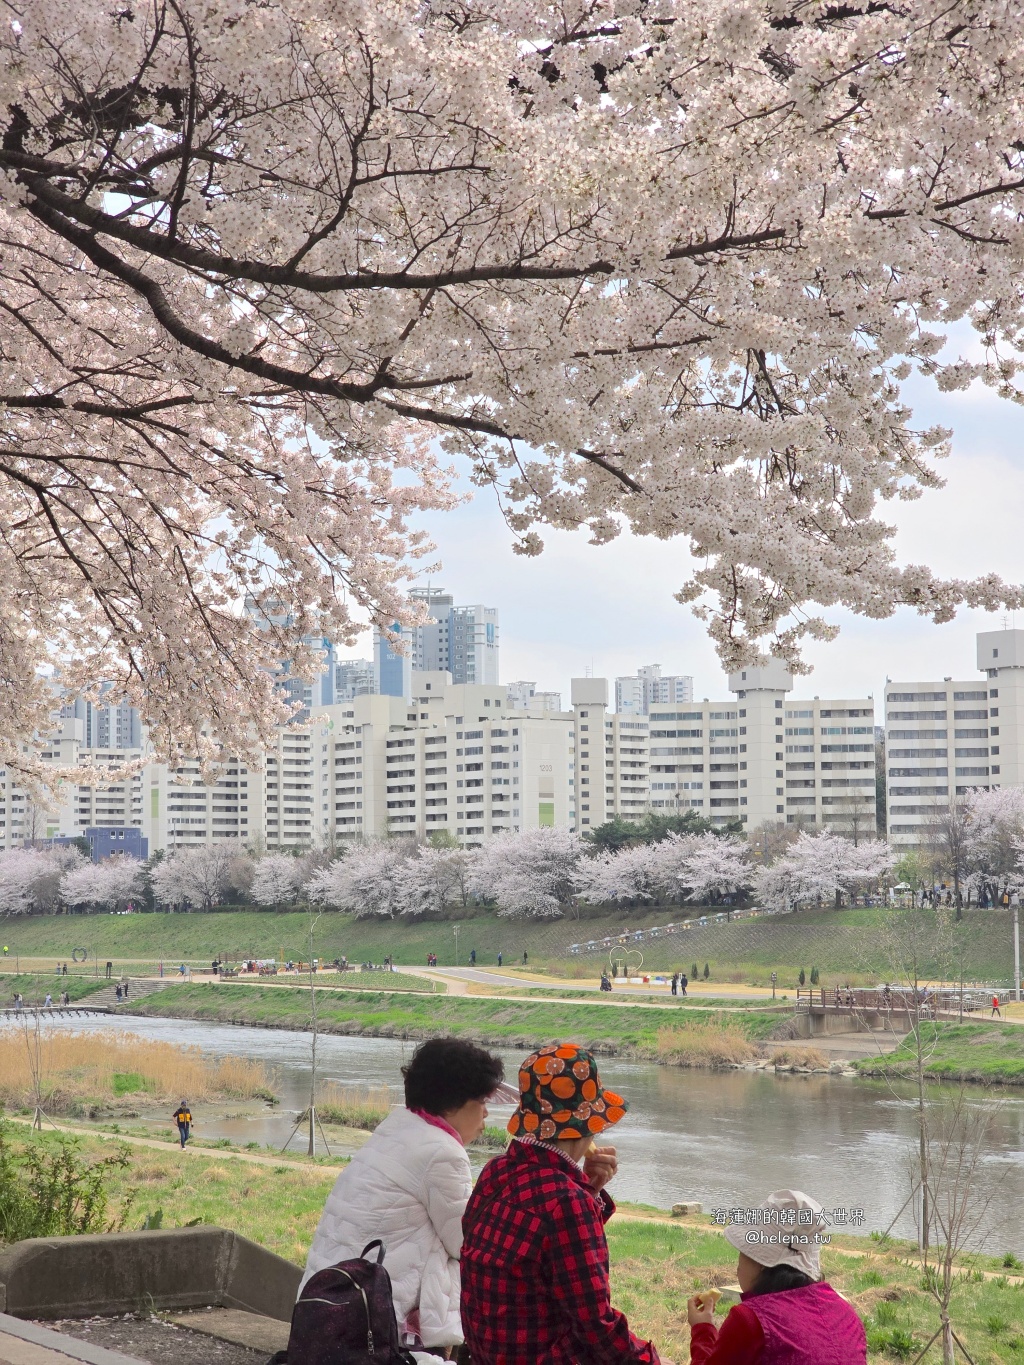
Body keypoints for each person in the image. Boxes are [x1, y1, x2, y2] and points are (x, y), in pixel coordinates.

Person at [301, 1038, 505, 1359]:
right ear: (454, 1102)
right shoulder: (442, 1152)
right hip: (373, 1324)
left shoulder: (397, 1126)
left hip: (325, 1305)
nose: (487, 1114)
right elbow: (468, 1243)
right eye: (481, 1100)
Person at [461, 1042, 663, 1365]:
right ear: (585, 1125)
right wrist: (653, 1360)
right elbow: (596, 1324)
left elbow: (544, 1256)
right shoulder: (568, 1201)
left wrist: (591, 1190)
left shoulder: (494, 1173)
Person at [687, 1189, 867, 1364]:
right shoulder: (846, 1313)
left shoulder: (749, 1320)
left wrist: (702, 1329)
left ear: (761, 1262)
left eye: (742, 1252)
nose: (738, 1265)